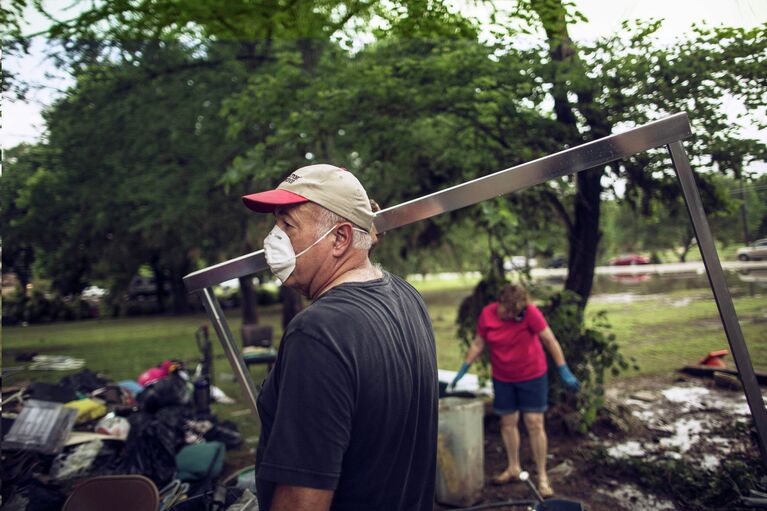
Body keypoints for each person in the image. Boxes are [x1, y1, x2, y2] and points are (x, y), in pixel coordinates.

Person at [241, 164, 438, 511]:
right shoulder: (408, 296)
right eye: (275, 223)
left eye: (288, 225)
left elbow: (302, 501)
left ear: (340, 238)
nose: (274, 238)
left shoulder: (317, 334)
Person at [449, 283, 579, 497]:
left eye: (515, 312)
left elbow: (549, 339)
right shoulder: (487, 314)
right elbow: (479, 343)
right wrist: (464, 368)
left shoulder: (529, 313)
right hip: (503, 378)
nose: (510, 315)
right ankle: (513, 467)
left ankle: (543, 477)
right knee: (507, 422)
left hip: (532, 375)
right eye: (507, 310)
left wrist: (563, 368)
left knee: (534, 423)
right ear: (499, 302)